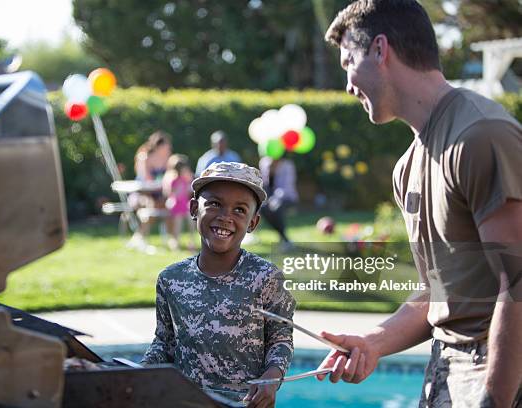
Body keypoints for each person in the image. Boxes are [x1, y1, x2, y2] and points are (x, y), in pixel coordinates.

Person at [315, 1, 522, 407]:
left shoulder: (481, 135)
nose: (347, 85)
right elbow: (438, 291)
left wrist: (496, 397)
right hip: (445, 368)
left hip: (503, 373)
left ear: (380, 49)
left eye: (348, 63)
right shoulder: (406, 168)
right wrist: (374, 342)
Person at [141, 162, 296, 407]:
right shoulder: (171, 279)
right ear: (194, 208)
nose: (225, 217)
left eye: (240, 210)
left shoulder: (266, 277)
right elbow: (164, 342)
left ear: (253, 223)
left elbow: (280, 340)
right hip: (186, 401)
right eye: (214, 204)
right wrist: (140, 373)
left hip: (245, 403)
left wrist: (272, 377)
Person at [128, 131, 172, 252]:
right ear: (159, 146)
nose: (169, 148)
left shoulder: (167, 160)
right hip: (141, 194)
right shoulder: (144, 157)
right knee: (152, 205)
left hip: (159, 195)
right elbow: (146, 181)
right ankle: (141, 237)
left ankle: (171, 239)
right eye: (167, 145)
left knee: (171, 205)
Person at [259, 155, 299, 249]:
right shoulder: (264, 163)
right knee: (262, 209)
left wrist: (275, 199)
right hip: (270, 199)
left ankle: (285, 240)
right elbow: (264, 185)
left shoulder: (288, 165)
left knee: (276, 209)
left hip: (287, 197)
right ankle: (283, 237)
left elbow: (287, 188)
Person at [162, 154, 196, 250]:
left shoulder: (185, 180)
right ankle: (176, 243)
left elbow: (189, 191)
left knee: (191, 221)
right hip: (177, 206)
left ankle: (191, 242)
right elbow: (171, 194)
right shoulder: (174, 180)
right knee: (178, 225)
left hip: (184, 205)